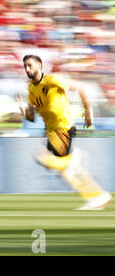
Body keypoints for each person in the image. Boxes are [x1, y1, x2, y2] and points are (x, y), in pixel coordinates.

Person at [16, 54, 111, 210]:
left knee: (43, 157)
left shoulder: (53, 80)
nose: (27, 69)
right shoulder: (31, 88)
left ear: (39, 65)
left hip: (63, 129)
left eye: (30, 65)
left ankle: (93, 191)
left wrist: (88, 110)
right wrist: (22, 109)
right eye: (25, 66)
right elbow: (32, 117)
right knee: (62, 169)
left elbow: (80, 87)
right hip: (51, 132)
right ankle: (98, 196)